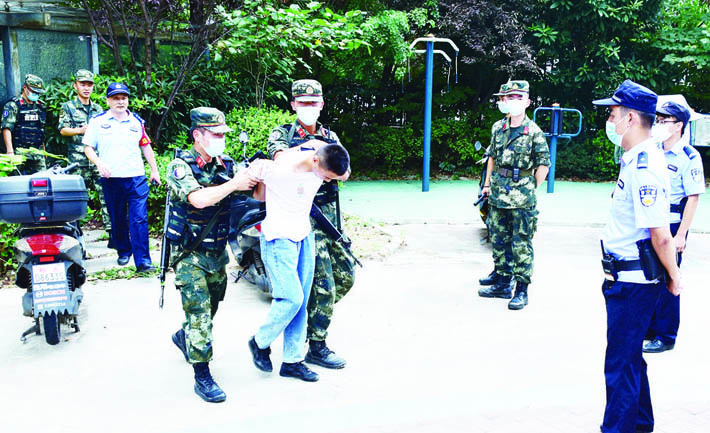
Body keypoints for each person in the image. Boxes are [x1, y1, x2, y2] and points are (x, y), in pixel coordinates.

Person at [593, 79, 683, 433]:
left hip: (632, 284)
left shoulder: (645, 167)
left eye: (612, 113)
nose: (609, 120)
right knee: (629, 360)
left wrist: (674, 276)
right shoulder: (635, 160)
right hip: (625, 280)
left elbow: (660, 234)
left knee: (620, 364)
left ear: (630, 118)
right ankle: (641, 425)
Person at [166, 107, 258, 403]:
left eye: (223, 134)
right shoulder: (180, 166)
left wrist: (259, 176)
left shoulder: (227, 164)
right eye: (216, 134)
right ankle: (202, 375)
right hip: (189, 255)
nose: (222, 139)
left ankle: (185, 337)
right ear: (197, 135)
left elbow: (252, 195)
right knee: (201, 316)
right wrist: (234, 183)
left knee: (211, 307)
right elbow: (199, 199)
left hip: (218, 254)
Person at [266, 79, 355, 368]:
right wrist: (313, 149)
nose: (309, 107)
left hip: (330, 217)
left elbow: (345, 171)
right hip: (303, 216)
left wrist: (327, 159)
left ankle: (307, 326)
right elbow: (280, 160)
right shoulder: (283, 134)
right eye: (303, 103)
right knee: (323, 283)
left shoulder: (330, 135)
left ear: (322, 104)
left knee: (345, 276)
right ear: (293, 105)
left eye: (313, 102)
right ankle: (316, 344)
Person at [248, 141, 350, 382]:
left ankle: (292, 361)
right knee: (291, 298)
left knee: (301, 301)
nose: (327, 181)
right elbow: (257, 194)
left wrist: (331, 159)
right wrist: (258, 172)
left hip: (304, 235)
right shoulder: (279, 169)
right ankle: (260, 341)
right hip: (278, 239)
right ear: (315, 161)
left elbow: (338, 167)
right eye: (326, 176)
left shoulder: (318, 156)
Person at [477, 80, 550, 310]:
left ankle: (521, 290)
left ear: (527, 102)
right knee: (499, 239)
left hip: (522, 199)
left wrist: (529, 187)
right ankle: (502, 283)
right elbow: (492, 157)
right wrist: (487, 185)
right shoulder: (498, 128)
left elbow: (543, 165)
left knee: (521, 244)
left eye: (518, 97)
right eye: (509, 97)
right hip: (498, 194)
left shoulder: (534, 132)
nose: (512, 101)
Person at [643, 99, 704, 353]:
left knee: (669, 277)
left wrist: (681, 235)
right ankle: (651, 327)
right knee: (648, 273)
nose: (658, 124)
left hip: (672, 222)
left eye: (663, 120)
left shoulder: (689, 156)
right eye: (657, 120)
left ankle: (666, 335)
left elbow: (693, 198)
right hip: (651, 219)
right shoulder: (653, 149)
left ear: (678, 125)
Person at [83, 82, 160, 271]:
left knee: (139, 219)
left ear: (128, 100)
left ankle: (143, 261)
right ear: (108, 101)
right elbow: (88, 148)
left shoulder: (136, 121)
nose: (120, 102)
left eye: (123, 98)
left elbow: (145, 146)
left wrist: (154, 170)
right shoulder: (98, 121)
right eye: (116, 98)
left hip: (136, 178)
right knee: (117, 218)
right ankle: (124, 251)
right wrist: (99, 163)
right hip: (112, 179)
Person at [58, 70, 112, 239]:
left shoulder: (98, 109)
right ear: (75, 86)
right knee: (76, 199)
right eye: (83, 84)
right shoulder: (68, 107)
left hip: (97, 160)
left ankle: (112, 233)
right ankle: (74, 234)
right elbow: (62, 130)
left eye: (89, 85)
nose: (86, 88)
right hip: (78, 161)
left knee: (107, 194)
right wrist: (80, 130)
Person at [2, 74, 47, 175]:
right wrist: (10, 151)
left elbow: (41, 128)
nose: (35, 94)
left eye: (37, 92)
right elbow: (6, 128)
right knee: (15, 180)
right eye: (33, 91)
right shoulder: (13, 105)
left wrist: (43, 149)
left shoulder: (40, 106)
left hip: (36, 152)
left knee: (42, 178)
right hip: (18, 152)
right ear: (25, 87)